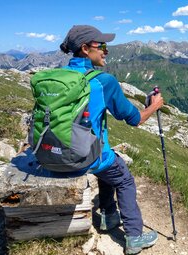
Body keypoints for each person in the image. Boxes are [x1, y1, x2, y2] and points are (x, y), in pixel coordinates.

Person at [59, 25, 164, 254]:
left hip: (54, 152)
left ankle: (108, 215)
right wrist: (154, 106)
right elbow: (134, 119)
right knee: (124, 179)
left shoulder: (61, 77)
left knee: (109, 161)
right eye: (102, 46)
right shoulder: (102, 81)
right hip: (84, 154)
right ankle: (134, 237)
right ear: (85, 49)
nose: (106, 51)